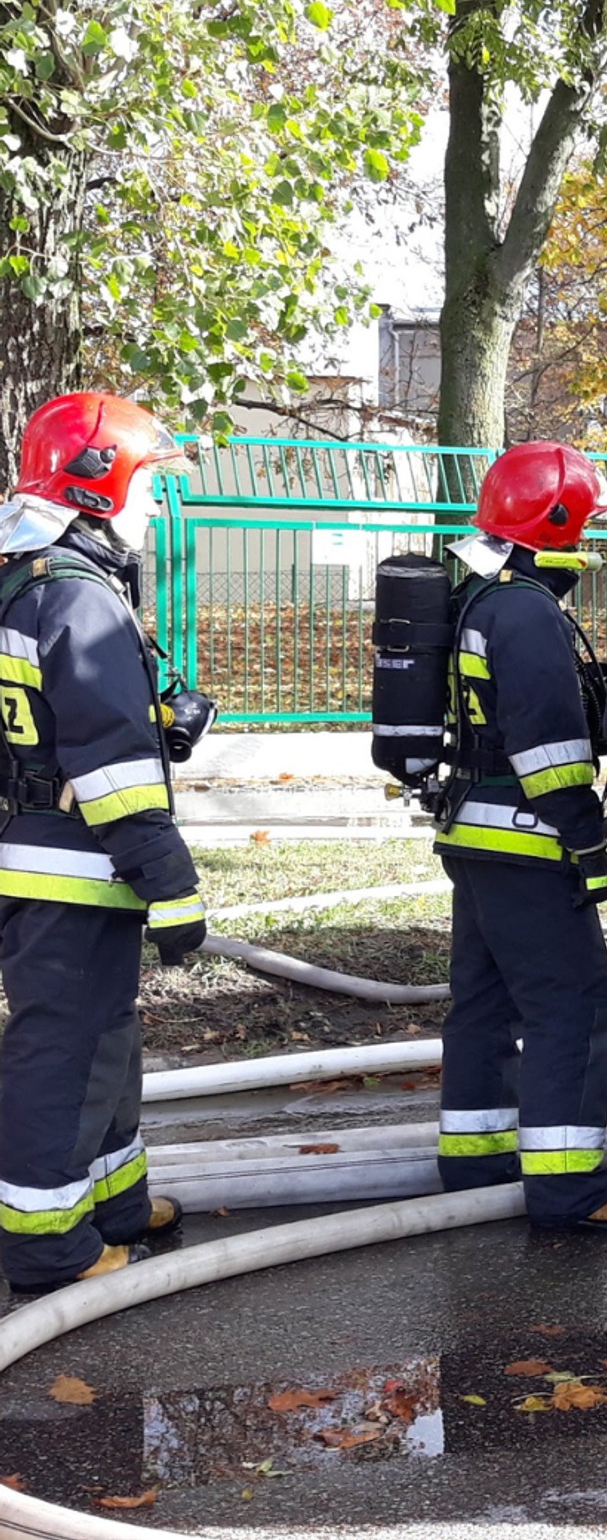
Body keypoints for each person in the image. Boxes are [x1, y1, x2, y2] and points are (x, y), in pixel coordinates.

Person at [0, 392, 206, 1296]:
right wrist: (173, 883)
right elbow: (109, 768)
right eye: (146, 486)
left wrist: (155, 717)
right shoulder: (77, 598)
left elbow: (55, 728)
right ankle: (51, 1249)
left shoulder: (28, 580)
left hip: (44, 856)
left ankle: (116, 1205)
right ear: (99, 482)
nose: (153, 506)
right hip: (78, 867)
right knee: (67, 1052)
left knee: (105, 1040)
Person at [430, 441, 607, 1233]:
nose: (599, 539)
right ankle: (570, 1189)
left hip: (475, 836)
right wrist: (587, 844)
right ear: (558, 525)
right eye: (590, 522)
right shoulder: (526, 612)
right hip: (528, 838)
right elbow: (551, 750)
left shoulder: (482, 598)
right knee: (574, 1005)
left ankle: (476, 1160)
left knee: (484, 1003)